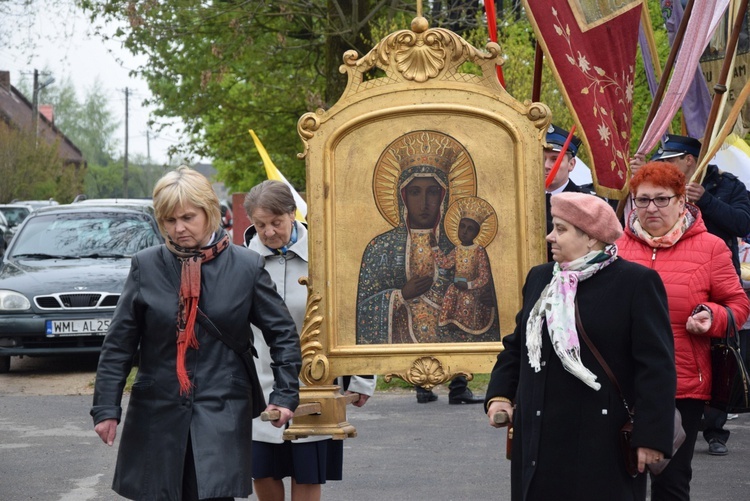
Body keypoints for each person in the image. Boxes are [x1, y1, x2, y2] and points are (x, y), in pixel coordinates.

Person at [90, 166, 302, 501]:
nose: (179, 228)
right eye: (169, 220)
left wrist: (285, 394)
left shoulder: (246, 267)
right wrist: (105, 408)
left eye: (188, 217)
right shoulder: (146, 266)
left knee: (213, 496)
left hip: (221, 411)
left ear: (210, 212)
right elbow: (119, 343)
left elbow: (283, 334)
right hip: (156, 413)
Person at [486, 191, 677, 501]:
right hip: (538, 435)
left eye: (561, 229)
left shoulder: (635, 283)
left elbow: (656, 366)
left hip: (599, 441)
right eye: (554, 227)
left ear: (591, 238)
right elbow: (517, 346)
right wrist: (500, 395)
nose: (551, 236)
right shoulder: (540, 277)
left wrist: (651, 436)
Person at [617, 162, 750, 499]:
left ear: (681, 201)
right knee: (620, 476)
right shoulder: (615, 247)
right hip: (621, 382)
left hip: (683, 384)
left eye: (662, 199)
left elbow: (738, 304)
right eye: (642, 200)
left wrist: (712, 315)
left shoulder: (710, 248)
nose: (651, 208)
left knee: (671, 480)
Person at [243, 179, 376, 501]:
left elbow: (352, 315)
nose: (269, 232)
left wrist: (361, 377)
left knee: (306, 468)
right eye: (260, 225)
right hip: (259, 381)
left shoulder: (324, 255)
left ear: (292, 214)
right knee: (263, 468)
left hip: (313, 381)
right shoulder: (242, 262)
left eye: (276, 222)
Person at [355, 131, 491, 404]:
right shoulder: (379, 247)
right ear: (402, 195)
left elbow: (480, 282)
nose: (425, 202)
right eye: (416, 192)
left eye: (433, 192)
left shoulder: (457, 244)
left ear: (444, 195)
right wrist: (399, 295)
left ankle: (458, 384)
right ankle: (421, 385)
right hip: (407, 323)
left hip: (452, 319)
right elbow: (360, 309)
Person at [435, 196, 498, 335]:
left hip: (472, 289)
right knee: (451, 293)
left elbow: (484, 276)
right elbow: (446, 263)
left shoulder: (479, 250)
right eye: (462, 226)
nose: (464, 231)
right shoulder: (457, 249)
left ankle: (465, 327)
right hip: (457, 286)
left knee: (467, 299)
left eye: (470, 229)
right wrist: (435, 249)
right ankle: (453, 324)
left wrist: (469, 285)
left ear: (477, 233)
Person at [543, 124, 585, 261]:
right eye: (542, 158)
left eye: (555, 159)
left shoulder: (584, 202)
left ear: (571, 164)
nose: (546, 166)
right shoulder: (522, 198)